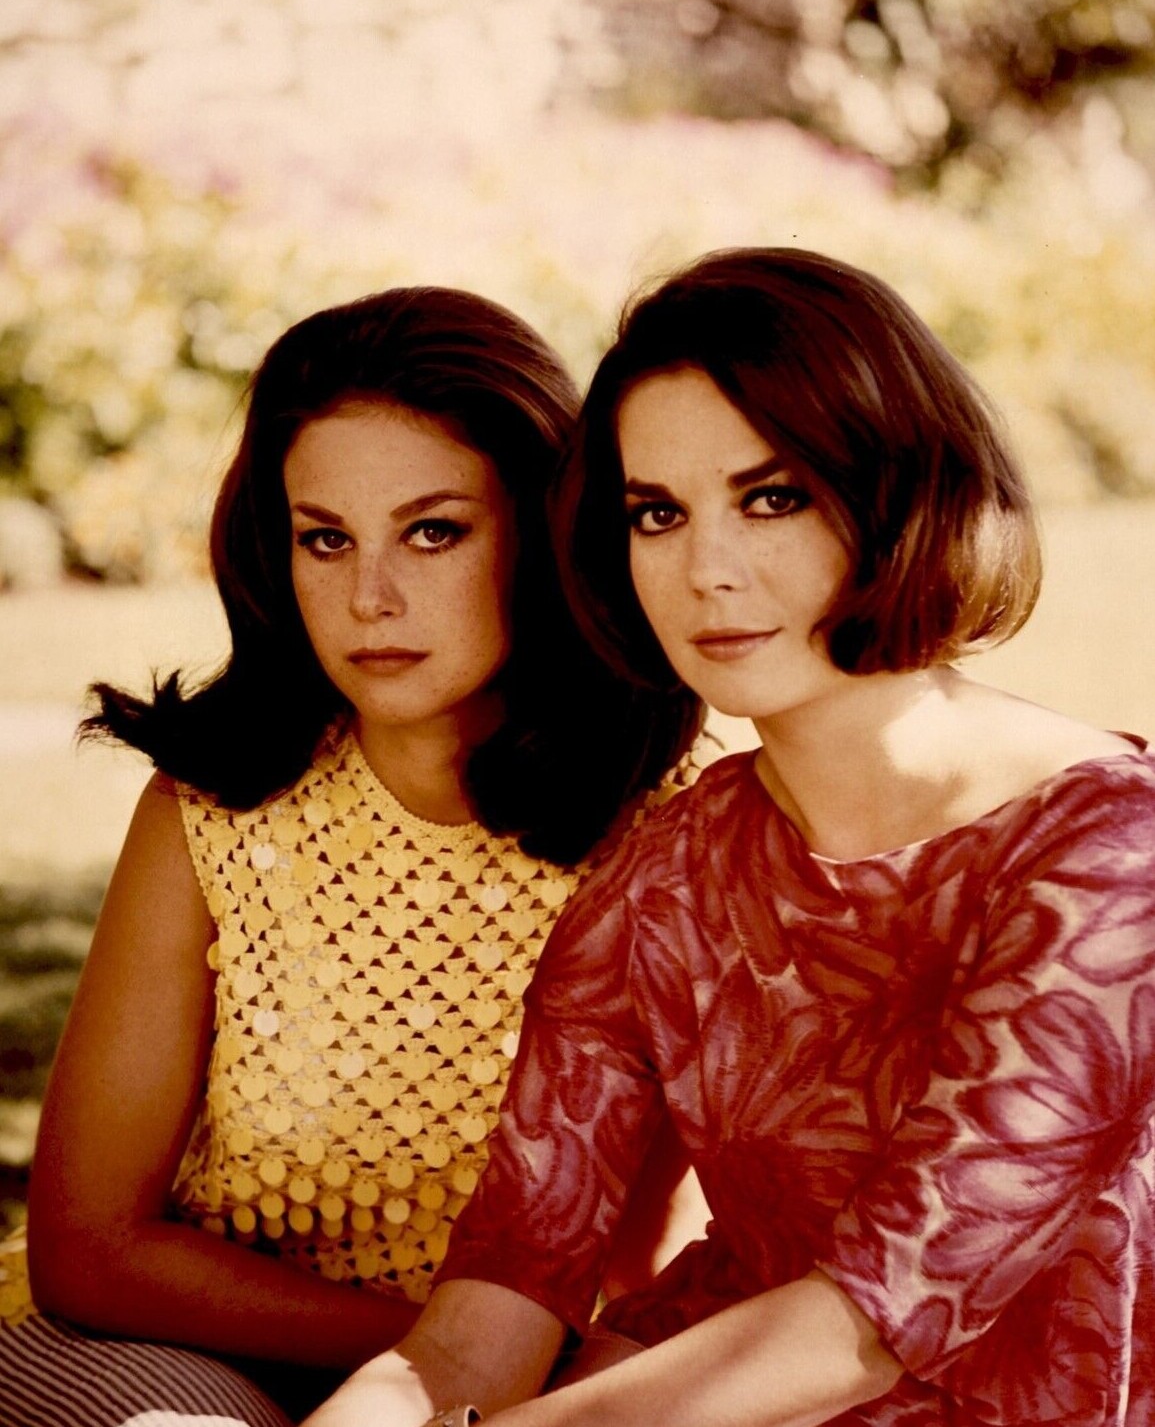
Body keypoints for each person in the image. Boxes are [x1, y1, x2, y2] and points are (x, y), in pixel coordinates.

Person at [303, 248, 1155, 1427]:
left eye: (772, 497)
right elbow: (493, 1301)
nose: (706, 570)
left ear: (902, 491)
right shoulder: (669, 872)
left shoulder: (1110, 851)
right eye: (658, 513)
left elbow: (873, 1319)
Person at [0, 286, 713, 1426]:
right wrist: (440, 1353)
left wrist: (471, 1380)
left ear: (541, 530)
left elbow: (649, 1261)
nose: (369, 597)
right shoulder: (213, 811)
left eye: (433, 531)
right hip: (179, 1347)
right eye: (325, 538)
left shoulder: (677, 831)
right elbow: (88, 1250)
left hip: (525, 1389)